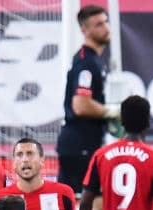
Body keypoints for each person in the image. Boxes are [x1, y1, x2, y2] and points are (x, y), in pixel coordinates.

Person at [55, 4, 116, 198]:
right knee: (80, 204)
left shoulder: (95, 60)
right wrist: (112, 112)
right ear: (84, 30)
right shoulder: (86, 63)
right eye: (98, 24)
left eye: (106, 22)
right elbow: (80, 105)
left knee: (96, 201)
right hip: (79, 145)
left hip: (86, 143)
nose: (105, 28)